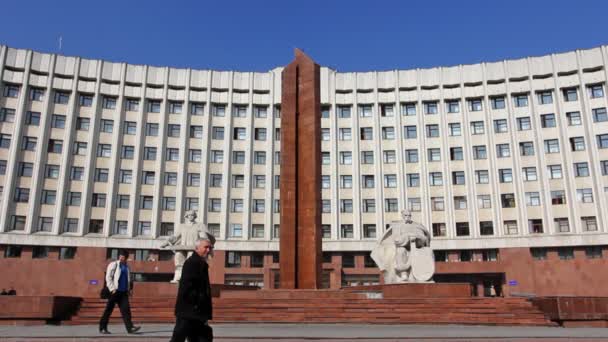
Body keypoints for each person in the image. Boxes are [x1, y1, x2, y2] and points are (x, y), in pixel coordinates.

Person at [170, 235, 215, 342]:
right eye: (206, 247)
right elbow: (187, 287)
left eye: (210, 248)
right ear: (197, 248)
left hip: (196, 311)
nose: (208, 250)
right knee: (179, 338)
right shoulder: (192, 263)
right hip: (189, 311)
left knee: (200, 338)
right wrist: (196, 304)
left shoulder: (200, 263)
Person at [98, 250, 140, 334]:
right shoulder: (114, 264)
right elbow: (108, 277)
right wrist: (112, 289)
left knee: (126, 310)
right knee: (108, 310)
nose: (121, 258)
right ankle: (102, 327)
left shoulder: (127, 267)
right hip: (114, 292)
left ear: (126, 258)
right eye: (120, 256)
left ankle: (130, 328)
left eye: (123, 257)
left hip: (123, 293)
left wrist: (128, 290)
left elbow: (127, 280)